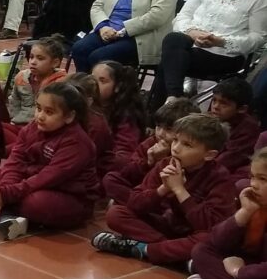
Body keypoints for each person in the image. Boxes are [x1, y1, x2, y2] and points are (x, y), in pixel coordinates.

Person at [92, 114, 235, 268]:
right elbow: (135, 202)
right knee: (116, 213)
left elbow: (209, 225)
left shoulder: (220, 178)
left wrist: (180, 190)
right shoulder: (165, 164)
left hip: (194, 233)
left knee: (208, 239)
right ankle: (174, 255)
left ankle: (143, 249)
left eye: (187, 145)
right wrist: (162, 189)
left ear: (209, 155)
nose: (176, 148)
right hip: (168, 229)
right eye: (175, 140)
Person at [0, 82, 99, 241]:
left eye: (49, 112)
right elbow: (15, 161)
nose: (40, 116)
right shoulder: (33, 127)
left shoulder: (77, 143)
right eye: (38, 108)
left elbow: (47, 178)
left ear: (69, 116)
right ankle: (4, 216)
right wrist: (5, 190)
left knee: (36, 203)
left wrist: (6, 194)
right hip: (30, 183)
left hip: (67, 195)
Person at [150, 0, 267, 106]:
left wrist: (221, 41)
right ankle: (174, 98)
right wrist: (193, 32)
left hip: (225, 55)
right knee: (174, 40)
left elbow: (257, 38)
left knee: (168, 61)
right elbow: (182, 16)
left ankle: (163, 109)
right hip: (191, 45)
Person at [185, 148, 267, 279]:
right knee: (202, 250)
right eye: (253, 177)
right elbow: (215, 241)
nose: (254, 184)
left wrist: (239, 272)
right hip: (249, 263)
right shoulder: (251, 199)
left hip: (257, 272)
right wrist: (245, 212)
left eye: (263, 179)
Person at [102, 98, 199, 204]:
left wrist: (163, 160)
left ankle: (133, 206)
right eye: (158, 126)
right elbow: (127, 173)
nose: (161, 133)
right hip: (141, 191)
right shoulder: (151, 142)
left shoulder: (185, 152)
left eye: (169, 129)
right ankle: (134, 204)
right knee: (110, 179)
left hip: (164, 197)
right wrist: (148, 162)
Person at [7, 35, 68, 125]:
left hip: (45, 127)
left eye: (40, 58)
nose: (33, 62)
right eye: (31, 57)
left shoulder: (60, 84)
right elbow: (14, 102)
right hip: (19, 124)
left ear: (55, 63)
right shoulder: (21, 77)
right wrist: (14, 119)